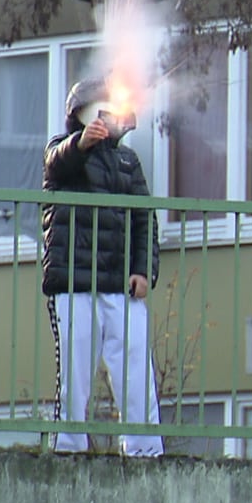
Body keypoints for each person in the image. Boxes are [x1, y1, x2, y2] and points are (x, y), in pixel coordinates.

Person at [41, 76, 163, 457]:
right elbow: (56, 163)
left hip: (120, 282)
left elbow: (145, 219)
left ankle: (144, 450)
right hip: (74, 283)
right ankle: (69, 449)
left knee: (135, 370)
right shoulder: (63, 151)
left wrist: (144, 270)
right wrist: (82, 143)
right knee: (74, 374)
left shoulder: (128, 160)